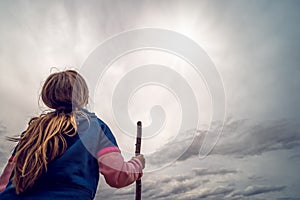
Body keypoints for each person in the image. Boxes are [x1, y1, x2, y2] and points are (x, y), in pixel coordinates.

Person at [0, 70, 145, 199]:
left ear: (48, 96)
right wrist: (138, 163)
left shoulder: (31, 132)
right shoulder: (94, 126)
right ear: (83, 97)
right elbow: (118, 176)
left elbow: (4, 184)